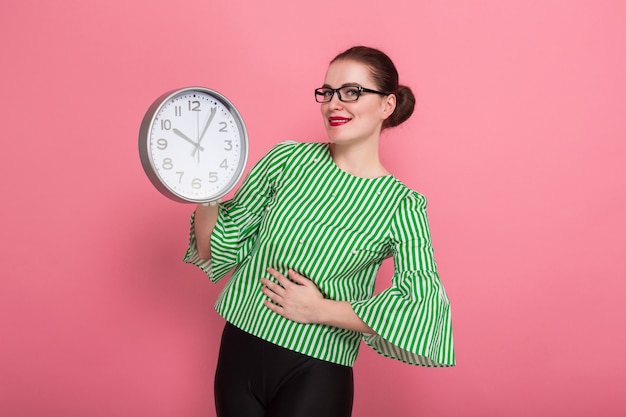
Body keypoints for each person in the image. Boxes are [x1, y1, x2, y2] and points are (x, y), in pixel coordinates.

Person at [184, 45, 455, 417]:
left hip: (316, 369)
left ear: (387, 105)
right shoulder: (286, 159)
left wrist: (320, 309)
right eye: (327, 92)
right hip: (239, 349)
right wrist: (205, 191)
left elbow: (420, 307)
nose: (333, 104)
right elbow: (213, 248)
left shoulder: (402, 205)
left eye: (352, 92)